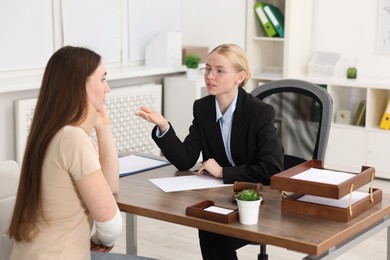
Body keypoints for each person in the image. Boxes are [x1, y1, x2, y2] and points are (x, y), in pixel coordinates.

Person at [136, 43, 284, 260]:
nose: (210, 76)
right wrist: (163, 127)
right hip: (223, 197)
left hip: (257, 198)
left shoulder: (260, 112)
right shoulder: (203, 107)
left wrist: (223, 172)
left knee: (213, 230)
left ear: (240, 77)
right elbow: (185, 160)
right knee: (210, 224)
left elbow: (272, 169)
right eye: (207, 69)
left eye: (219, 71)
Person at [8, 46, 149, 260]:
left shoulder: (51, 132)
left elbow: (110, 187)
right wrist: (102, 240)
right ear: (79, 85)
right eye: (102, 79)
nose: (107, 88)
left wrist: (103, 126)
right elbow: (111, 225)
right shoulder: (72, 139)